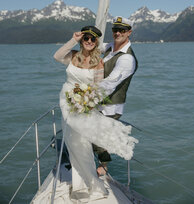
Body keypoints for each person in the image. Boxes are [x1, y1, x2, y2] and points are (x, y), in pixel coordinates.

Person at [52, 25, 138, 202]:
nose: (89, 41)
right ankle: (78, 182)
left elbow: (98, 88)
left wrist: (87, 103)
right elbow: (57, 56)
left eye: (93, 39)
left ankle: (88, 182)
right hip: (66, 102)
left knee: (82, 144)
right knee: (71, 140)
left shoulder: (98, 62)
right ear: (82, 40)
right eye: (86, 38)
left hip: (82, 105)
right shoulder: (73, 55)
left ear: (96, 42)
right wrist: (73, 40)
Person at [95, 17, 138, 176]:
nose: (118, 33)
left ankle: (103, 166)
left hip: (110, 106)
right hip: (96, 101)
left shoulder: (127, 58)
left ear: (129, 32)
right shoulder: (110, 47)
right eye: (115, 30)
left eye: (122, 30)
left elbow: (108, 85)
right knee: (89, 133)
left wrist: (85, 99)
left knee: (98, 136)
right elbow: (92, 46)